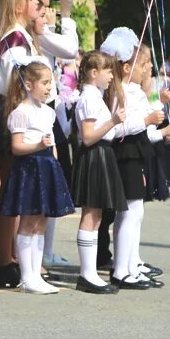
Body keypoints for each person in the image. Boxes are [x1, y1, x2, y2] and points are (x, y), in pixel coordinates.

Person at [8, 0, 79, 269]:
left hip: (47, 111)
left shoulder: (39, 24)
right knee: (34, 197)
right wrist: (66, 14)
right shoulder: (36, 26)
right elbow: (70, 47)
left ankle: (42, 255)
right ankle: (30, 259)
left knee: (49, 189)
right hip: (36, 112)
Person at [101, 29, 170, 290]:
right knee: (128, 212)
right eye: (142, 64)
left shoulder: (135, 91)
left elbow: (149, 119)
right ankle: (121, 270)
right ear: (125, 67)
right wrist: (145, 120)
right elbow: (117, 128)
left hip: (138, 151)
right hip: (126, 152)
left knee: (136, 211)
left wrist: (160, 125)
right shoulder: (118, 92)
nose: (146, 70)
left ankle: (131, 265)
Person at [0, 0, 43, 289]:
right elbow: (11, 83)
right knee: (8, 194)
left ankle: (10, 258)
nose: (36, 4)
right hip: (12, 115)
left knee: (13, 193)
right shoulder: (15, 41)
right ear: (19, 6)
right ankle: (2, 261)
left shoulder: (18, 37)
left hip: (15, 113)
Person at [0, 58, 74, 294]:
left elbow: (51, 143)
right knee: (28, 221)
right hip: (30, 168)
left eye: (50, 83)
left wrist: (53, 159)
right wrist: (38, 147)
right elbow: (17, 147)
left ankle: (36, 274)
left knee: (41, 221)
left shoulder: (48, 112)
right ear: (29, 84)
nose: (48, 87)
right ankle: (27, 276)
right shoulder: (21, 112)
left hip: (46, 167)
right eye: (44, 83)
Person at [70, 50, 125, 294]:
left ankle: (90, 272)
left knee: (98, 216)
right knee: (91, 215)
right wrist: (112, 122)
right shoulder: (89, 98)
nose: (112, 76)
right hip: (95, 155)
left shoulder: (96, 96)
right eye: (108, 70)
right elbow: (88, 136)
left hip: (104, 154)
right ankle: (87, 274)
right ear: (94, 73)